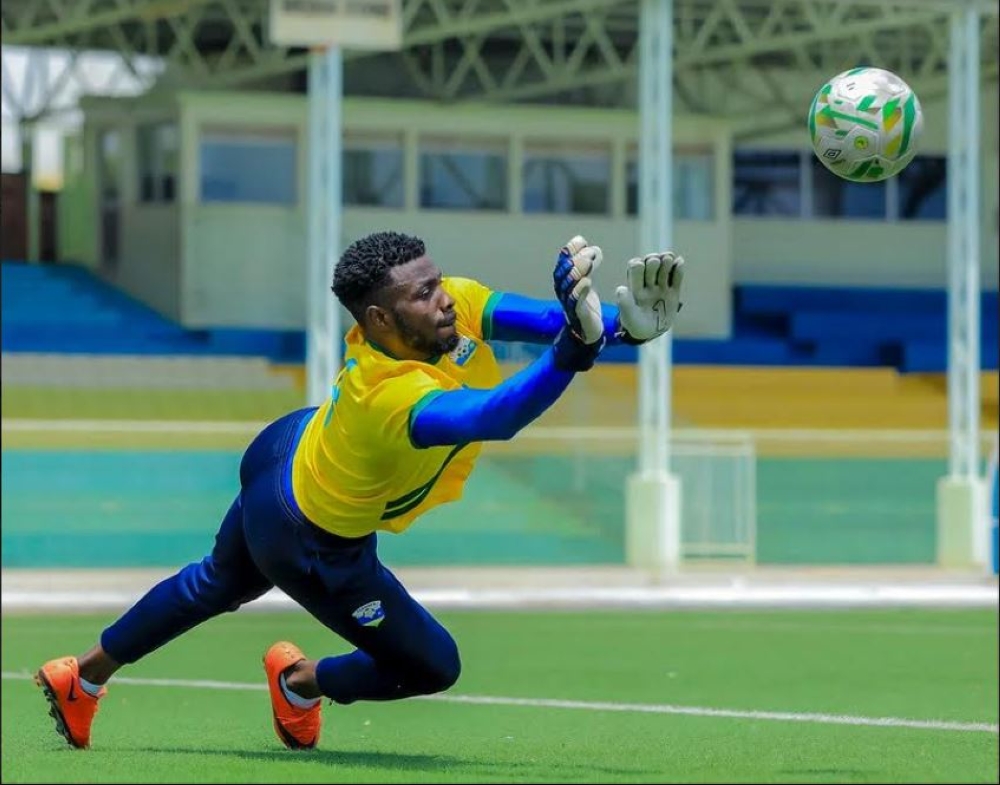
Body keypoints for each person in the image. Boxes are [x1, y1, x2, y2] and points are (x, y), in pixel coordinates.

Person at [35, 231, 685, 750]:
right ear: (379, 317)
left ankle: (81, 675)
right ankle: (300, 680)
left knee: (213, 581)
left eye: (438, 282)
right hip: (312, 542)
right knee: (434, 666)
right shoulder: (392, 397)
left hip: (285, 450)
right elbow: (494, 415)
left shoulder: (439, 309)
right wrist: (578, 345)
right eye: (424, 294)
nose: (445, 300)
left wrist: (616, 327)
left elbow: (554, 320)